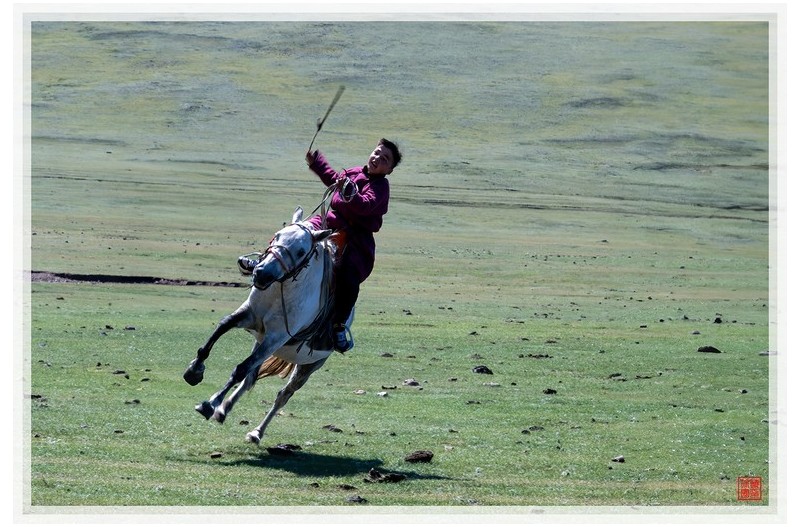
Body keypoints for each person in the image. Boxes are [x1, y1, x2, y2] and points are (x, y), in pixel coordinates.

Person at [238, 138, 402, 352]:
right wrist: (316, 162)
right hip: (328, 222)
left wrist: (350, 192)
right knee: (293, 234)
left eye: (385, 159)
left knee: (349, 279)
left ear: (389, 170)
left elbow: (366, 205)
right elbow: (334, 179)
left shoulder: (381, 187)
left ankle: (339, 326)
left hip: (353, 238)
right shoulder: (353, 172)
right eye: (377, 152)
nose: (378, 158)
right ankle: (262, 261)